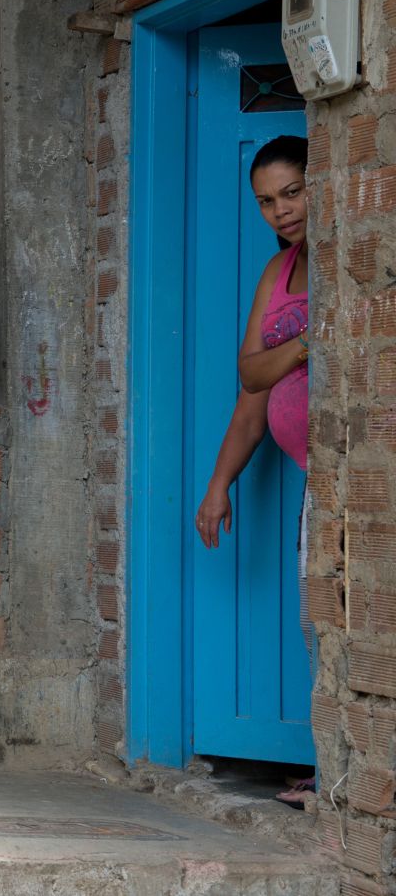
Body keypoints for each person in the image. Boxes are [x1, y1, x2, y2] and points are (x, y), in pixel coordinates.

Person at [192, 135, 311, 807]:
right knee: (321, 617)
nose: (280, 210)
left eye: (292, 191)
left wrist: (279, 356)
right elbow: (249, 380)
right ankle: (342, 767)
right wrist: (218, 482)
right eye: (266, 201)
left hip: (363, 476)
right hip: (315, 481)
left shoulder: (354, 252)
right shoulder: (279, 273)